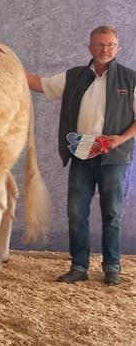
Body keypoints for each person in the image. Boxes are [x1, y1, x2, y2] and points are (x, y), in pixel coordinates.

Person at [27, 25, 136, 286]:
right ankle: (78, 266)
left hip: (115, 158)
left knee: (111, 214)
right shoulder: (74, 76)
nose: (104, 50)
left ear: (118, 48)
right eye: (99, 45)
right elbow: (40, 85)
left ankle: (112, 268)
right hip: (81, 157)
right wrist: (6, 62)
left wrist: (120, 138)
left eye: (110, 45)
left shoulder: (130, 79)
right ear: (90, 47)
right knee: (76, 213)